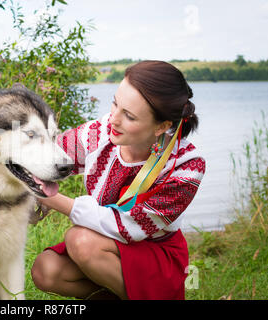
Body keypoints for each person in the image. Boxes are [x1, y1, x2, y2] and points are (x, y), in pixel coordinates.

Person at [31, 60, 206, 300]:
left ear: (162, 126)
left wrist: (49, 197)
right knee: (46, 270)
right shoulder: (102, 131)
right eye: (115, 103)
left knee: (79, 240)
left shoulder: (187, 165)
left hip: (154, 251)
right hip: (103, 244)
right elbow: (50, 155)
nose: (113, 119)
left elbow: (128, 228)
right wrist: (27, 191)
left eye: (129, 116)